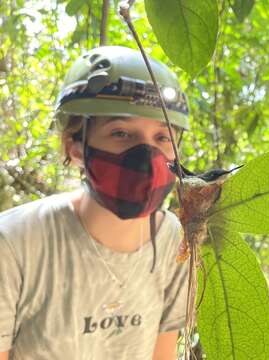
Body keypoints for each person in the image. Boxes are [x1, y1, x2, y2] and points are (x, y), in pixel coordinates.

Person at [0, 45, 191, 359]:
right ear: (75, 146)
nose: (147, 156)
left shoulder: (174, 240)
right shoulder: (15, 244)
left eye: (162, 138)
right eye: (120, 132)